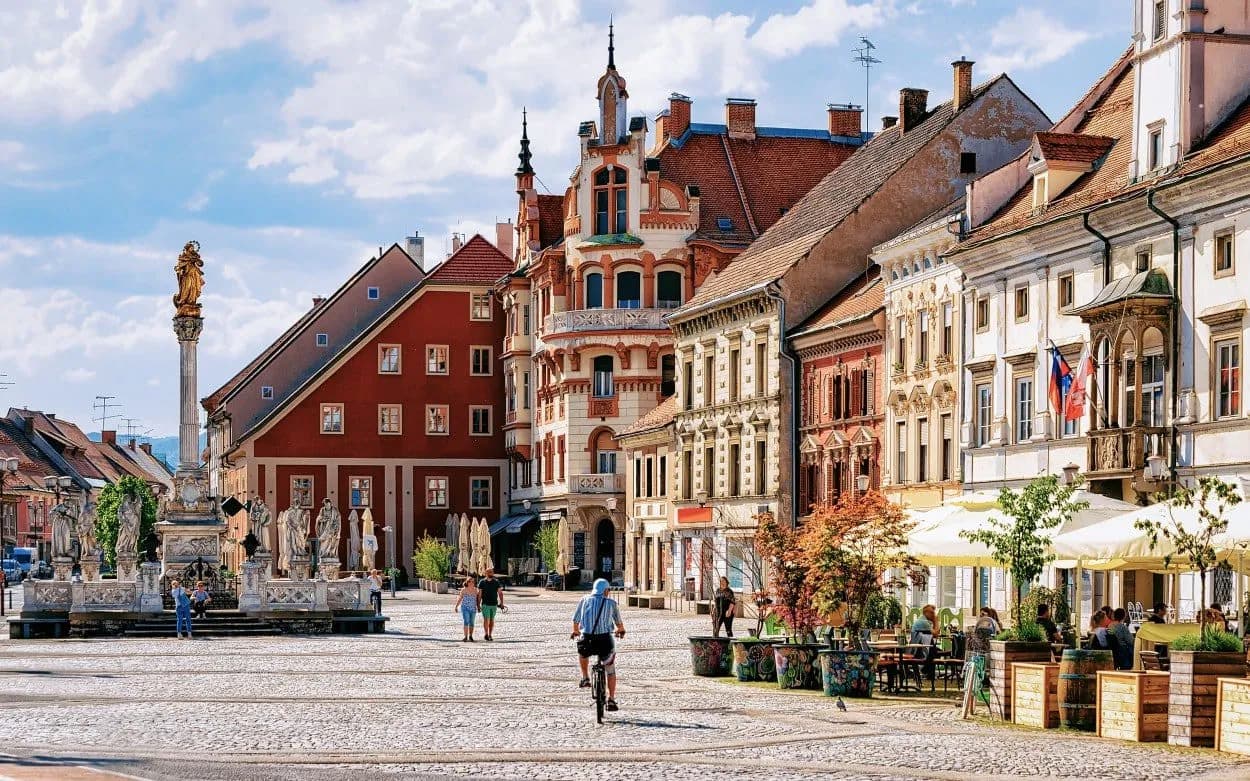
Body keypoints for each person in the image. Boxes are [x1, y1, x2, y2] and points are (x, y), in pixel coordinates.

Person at [571, 578, 626, 712]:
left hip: (587, 639)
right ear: (605, 590)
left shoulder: (584, 600)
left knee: (582, 652)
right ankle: (611, 699)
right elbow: (618, 622)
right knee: (610, 669)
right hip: (605, 640)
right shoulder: (611, 603)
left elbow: (576, 619)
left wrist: (576, 631)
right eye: (608, 590)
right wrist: (621, 630)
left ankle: (585, 677)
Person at [477, 568, 505, 641]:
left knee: (492, 620)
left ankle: (490, 634)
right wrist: (478, 605)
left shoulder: (496, 582)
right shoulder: (482, 582)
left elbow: (500, 593)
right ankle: (486, 634)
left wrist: (501, 603)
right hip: (485, 604)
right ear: (486, 573)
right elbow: (479, 594)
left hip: (494, 604)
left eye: (492, 572)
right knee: (486, 619)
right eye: (489, 572)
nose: (490, 573)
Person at [455, 576, 480, 642]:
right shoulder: (463, 590)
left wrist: (479, 607)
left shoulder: (476, 590)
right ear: (467, 582)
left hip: (473, 608)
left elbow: (478, 599)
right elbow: (460, 598)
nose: (472, 583)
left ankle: (471, 636)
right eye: (470, 581)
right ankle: (465, 636)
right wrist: (456, 606)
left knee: (472, 623)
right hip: (465, 608)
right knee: (466, 621)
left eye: (473, 582)